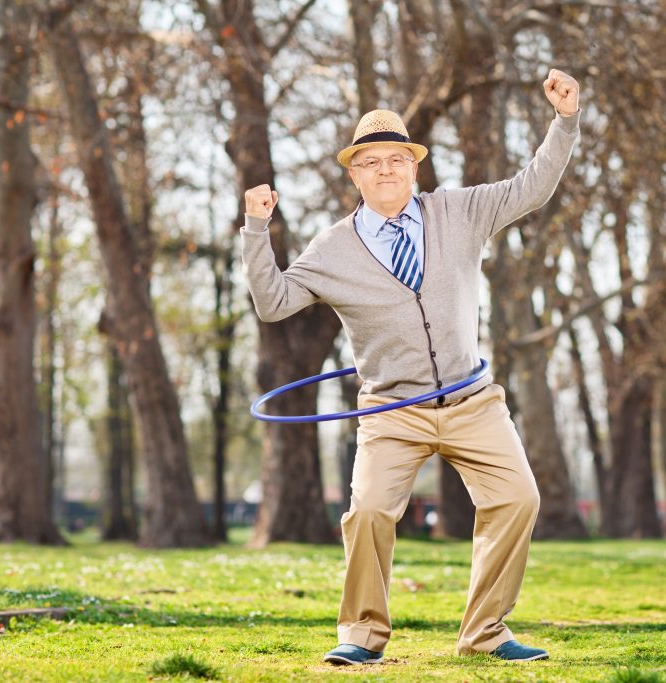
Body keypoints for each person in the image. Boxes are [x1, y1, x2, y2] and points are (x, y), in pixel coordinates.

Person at [240, 69, 580, 665]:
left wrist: (565, 120)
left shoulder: (459, 212)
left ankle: (485, 633)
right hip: (390, 410)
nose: (385, 170)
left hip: (472, 399)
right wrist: (256, 229)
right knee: (368, 511)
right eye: (370, 162)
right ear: (354, 175)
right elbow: (272, 304)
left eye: (396, 158)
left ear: (414, 167)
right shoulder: (332, 248)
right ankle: (362, 635)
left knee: (519, 499)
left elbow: (533, 186)